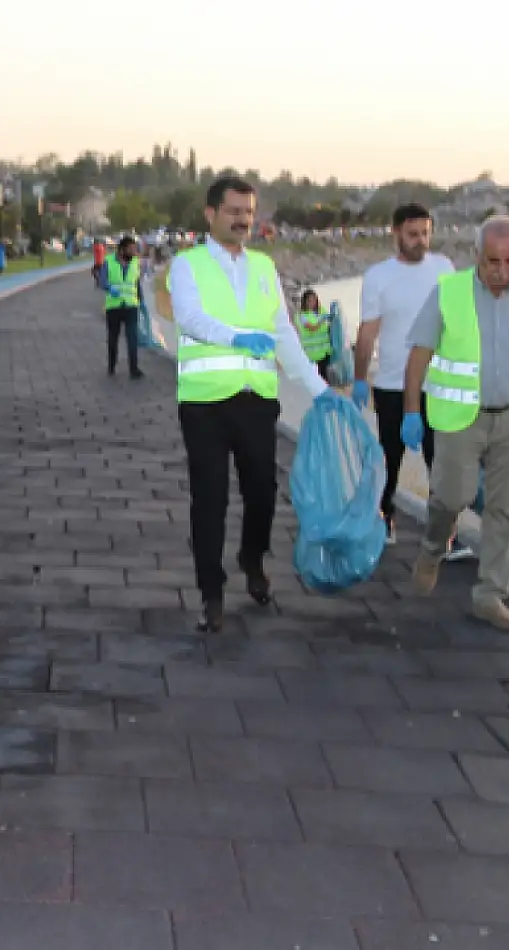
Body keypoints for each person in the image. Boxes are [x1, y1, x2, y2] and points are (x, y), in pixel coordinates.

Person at [169, 177, 341, 633]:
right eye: (234, 211)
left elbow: (284, 334)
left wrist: (320, 390)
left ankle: (252, 556)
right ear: (210, 214)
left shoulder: (264, 268)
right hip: (204, 403)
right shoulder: (188, 266)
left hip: (257, 403)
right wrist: (236, 338)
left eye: (249, 212)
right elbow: (188, 317)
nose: (244, 220)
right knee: (210, 499)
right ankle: (211, 592)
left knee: (263, 492)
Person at [402, 215, 509, 630]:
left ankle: (490, 595)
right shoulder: (448, 293)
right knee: (450, 497)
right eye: (494, 261)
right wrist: (410, 412)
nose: (502, 271)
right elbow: (418, 356)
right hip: (461, 419)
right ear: (477, 255)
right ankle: (432, 547)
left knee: (505, 508)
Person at [355, 203, 466, 551]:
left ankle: (443, 535)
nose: (421, 241)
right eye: (413, 234)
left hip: (437, 385)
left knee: (442, 464)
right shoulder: (378, 277)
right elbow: (368, 331)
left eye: (426, 234)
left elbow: (458, 324)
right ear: (396, 233)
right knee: (390, 457)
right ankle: (384, 517)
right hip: (392, 385)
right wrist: (359, 378)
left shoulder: (444, 268)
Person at [101, 235, 145, 379]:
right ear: (121, 250)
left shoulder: (136, 262)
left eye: (135, 249)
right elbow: (102, 281)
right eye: (130, 249)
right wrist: (109, 287)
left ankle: (134, 369)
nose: (133, 252)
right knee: (113, 338)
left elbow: (137, 283)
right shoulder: (108, 262)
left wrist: (141, 300)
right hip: (114, 307)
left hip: (131, 306)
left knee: (132, 338)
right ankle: (111, 365)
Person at [294, 289, 333, 381]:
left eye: (314, 300)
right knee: (320, 375)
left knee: (325, 373)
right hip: (313, 352)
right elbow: (311, 328)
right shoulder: (302, 315)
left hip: (325, 350)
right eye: (310, 300)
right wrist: (322, 320)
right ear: (305, 302)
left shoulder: (320, 311)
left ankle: (326, 390)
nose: (313, 303)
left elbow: (330, 322)